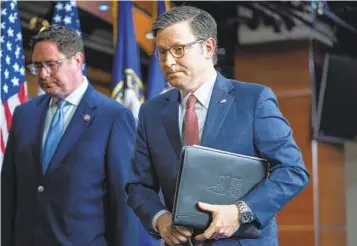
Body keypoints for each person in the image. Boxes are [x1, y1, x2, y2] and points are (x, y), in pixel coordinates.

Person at [126, 5, 310, 246]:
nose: (168, 62)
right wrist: (160, 219)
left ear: (208, 47)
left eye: (178, 49)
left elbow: (292, 171)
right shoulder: (151, 112)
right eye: (162, 52)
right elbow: (139, 185)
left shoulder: (253, 100)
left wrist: (241, 211)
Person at [1, 25, 140, 246]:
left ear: (77, 60)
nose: (43, 74)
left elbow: (125, 201)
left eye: (51, 65)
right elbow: (9, 191)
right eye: (37, 66)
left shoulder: (113, 117)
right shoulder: (24, 114)